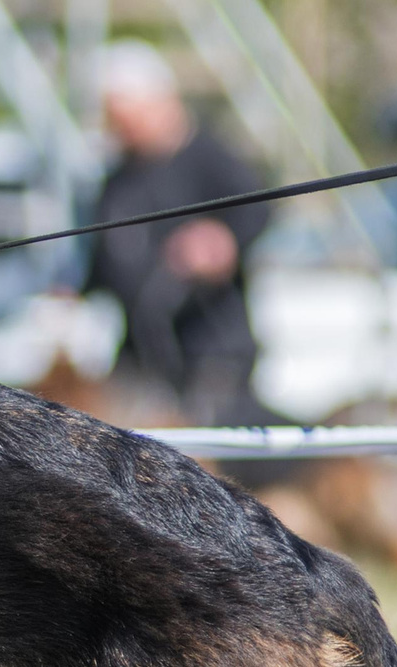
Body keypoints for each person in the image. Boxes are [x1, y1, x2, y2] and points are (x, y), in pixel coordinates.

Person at [84, 41, 271, 424]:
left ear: (160, 102)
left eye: (125, 117)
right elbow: (102, 263)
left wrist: (221, 241)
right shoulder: (117, 180)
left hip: (211, 354)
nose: (117, 130)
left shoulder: (212, 159)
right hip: (140, 361)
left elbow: (259, 210)